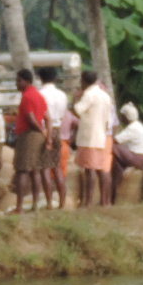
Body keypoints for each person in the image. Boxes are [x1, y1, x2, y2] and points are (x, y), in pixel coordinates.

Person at [72, 71, 115, 209]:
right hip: (101, 136)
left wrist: (76, 98)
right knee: (99, 168)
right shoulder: (105, 96)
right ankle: (104, 200)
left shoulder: (89, 94)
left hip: (88, 137)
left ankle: (88, 201)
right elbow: (109, 120)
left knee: (89, 169)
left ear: (83, 81)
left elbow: (77, 110)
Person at [11, 68, 51, 213]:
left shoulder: (27, 96)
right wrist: (47, 135)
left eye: (18, 80)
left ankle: (19, 206)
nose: (16, 83)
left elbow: (31, 118)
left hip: (29, 135)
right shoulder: (39, 96)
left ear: (26, 81)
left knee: (23, 170)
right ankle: (35, 205)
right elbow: (47, 117)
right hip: (38, 136)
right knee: (36, 171)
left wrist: (41, 131)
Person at [37, 67, 70, 209]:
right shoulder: (62, 95)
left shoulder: (40, 94)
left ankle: (49, 202)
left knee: (44, 168)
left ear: (40, 78)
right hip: (58, 130)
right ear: (55, 78)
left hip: (44, 131)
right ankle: (62, 202)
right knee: (56, 167)